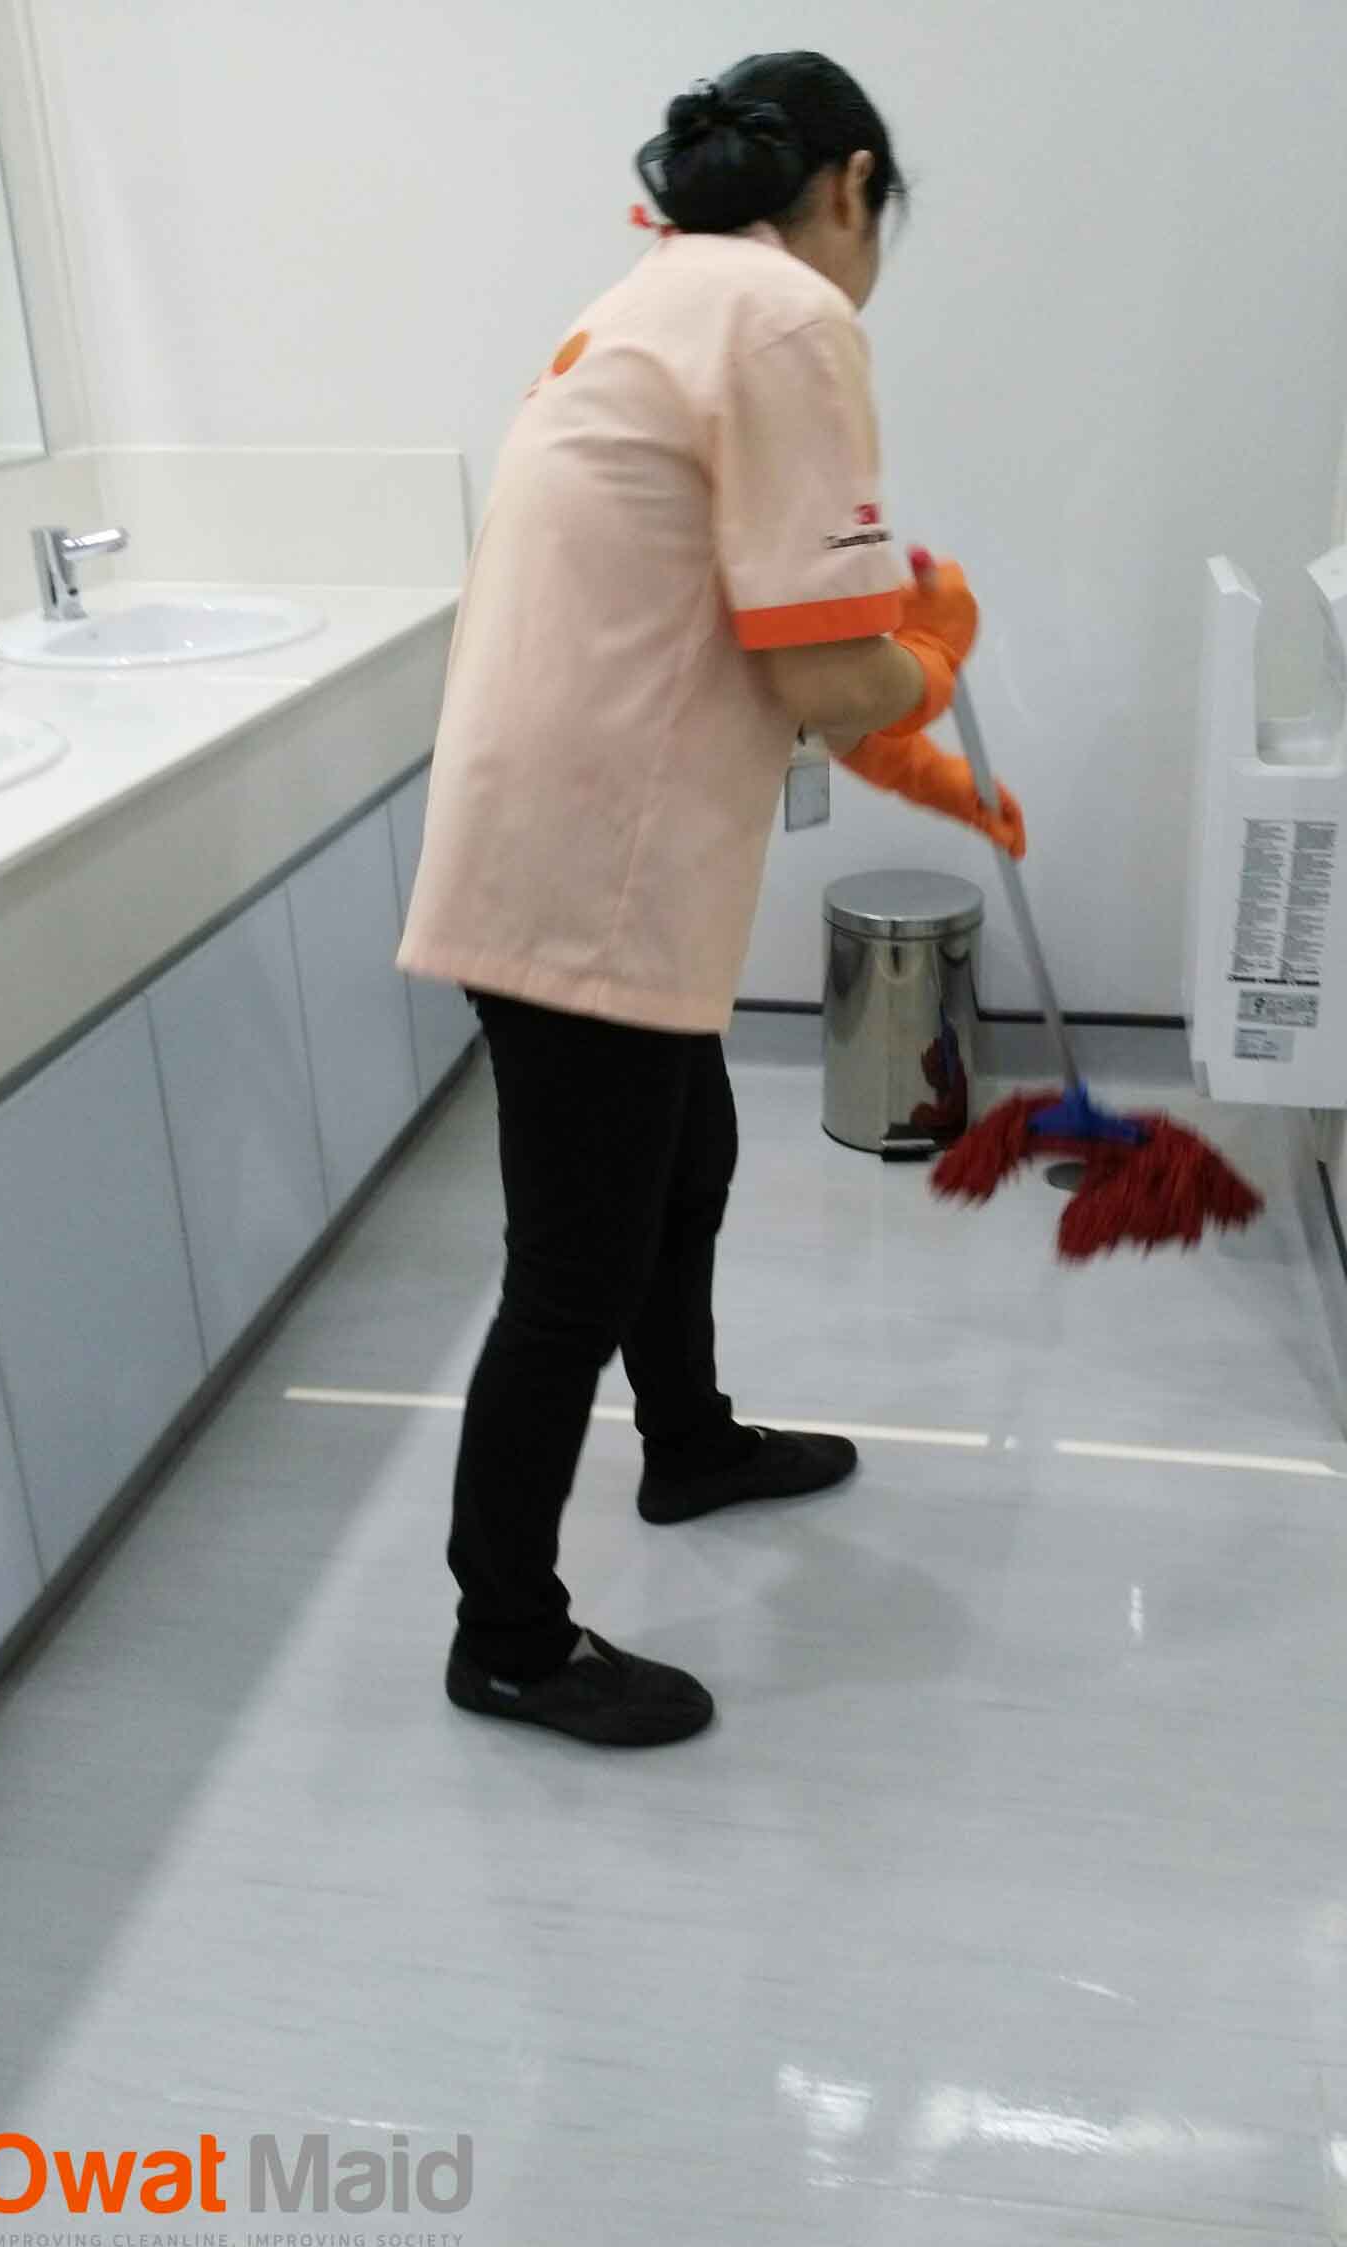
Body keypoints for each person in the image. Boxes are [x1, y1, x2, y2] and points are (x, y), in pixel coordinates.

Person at [398, 51, 1026, 1749]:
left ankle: (688, 1444)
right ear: (850, 185)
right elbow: (823, 674)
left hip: (580, 836)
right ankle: (507, 1639)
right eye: (879, 215)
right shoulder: (783, 314)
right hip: (590, 869)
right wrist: (928, 654)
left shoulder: (658, 296)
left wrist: (879, 645)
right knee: (572, 1272)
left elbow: (740, 607)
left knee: (685, 1168)